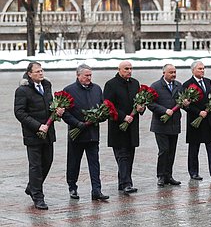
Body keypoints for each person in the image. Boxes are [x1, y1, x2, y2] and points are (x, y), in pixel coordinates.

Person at [14, 62, 65, 210]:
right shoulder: (22, 90)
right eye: (37, 71)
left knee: (47, 162)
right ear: (29, 74)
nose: (41, 73)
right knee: (35, 166)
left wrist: (58, 111)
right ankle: (38, 197)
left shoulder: (47, 85)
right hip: (33, 134)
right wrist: (37, 126)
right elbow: (19, 112)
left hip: (48, 132)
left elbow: (50, 105)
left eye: (42, 70)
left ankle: (32, 187)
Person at [62, 64, 109, 201]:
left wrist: (100, 116)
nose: (89, 78)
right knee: (74, 162)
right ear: (78, 76)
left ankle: (96, 190)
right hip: (76, 134)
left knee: (94, 162)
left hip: (92, 133)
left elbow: (102, 107)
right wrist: (77, 124)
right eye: (86, 76)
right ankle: (72, 187)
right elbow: (65, 113)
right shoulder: (69, 90)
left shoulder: (96, 89)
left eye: (90, 75)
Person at [104, 61, 145, 195]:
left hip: (132, 125)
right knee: (122, 155)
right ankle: (127, 183)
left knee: (130, 155)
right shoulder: (111, 84)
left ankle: (122, 183)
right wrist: (123, 117)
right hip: (118, 126)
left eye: (131, 68)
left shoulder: (134, 83)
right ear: (119, 70)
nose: (129, 71)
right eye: (126, 69)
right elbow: (108, 105)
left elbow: (140, 101)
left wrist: (141, 108)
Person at [182, 61, 211, 181]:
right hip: (195, 120)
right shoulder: (187, 84)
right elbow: (184, 105)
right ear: (193, 70)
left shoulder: (208, 82)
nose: (202, 70)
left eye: (203, 68)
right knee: (194, 148)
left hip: (207, 119)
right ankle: (193, 172)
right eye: (200, 69)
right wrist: (198, 112)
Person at [148, 64, 184, 187]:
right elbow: (150, 104)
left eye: (174, 72)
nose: (173, 74)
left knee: (172, 151)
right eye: (171, 72)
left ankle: (169, 175)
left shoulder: (179, 85)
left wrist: (186, 103)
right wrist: (164, 110)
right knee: (164, 150)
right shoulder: (155, 86)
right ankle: (161, 176)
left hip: (174, 123)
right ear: (164, 73)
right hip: (160, 124)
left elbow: (183, 101)